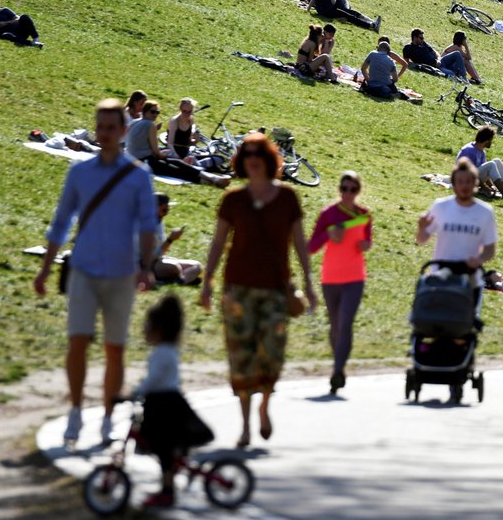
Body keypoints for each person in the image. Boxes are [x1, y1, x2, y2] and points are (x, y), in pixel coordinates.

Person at [32, 98, 159, 446]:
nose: (104, 134)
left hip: (121, 274)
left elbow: (148, 227)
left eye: (110, 128)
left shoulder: (138, 176)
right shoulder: (80, 172)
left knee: (114, 348)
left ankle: (106, 416)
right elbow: (61, 223)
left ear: (123, 131)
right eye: (99, 127)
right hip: (84, 270)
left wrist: (146, 268)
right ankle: (74, 412)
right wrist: (45, 270)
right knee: (77, 342)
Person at [201, 133, 318, 447]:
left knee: (271, 355)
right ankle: (245, 425)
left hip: (276, 290)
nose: (253, 160)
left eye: (258, 155)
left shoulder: (287, 198)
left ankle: (265, 404)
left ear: (269, 160)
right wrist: (207, 282)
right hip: (237, 289)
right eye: (247, 155)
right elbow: (217, 243)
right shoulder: (233, 200)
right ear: (242, 161)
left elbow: (299, 244)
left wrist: (308, 282)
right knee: (241, 359)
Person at [129, 294, 214, 508]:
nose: (144, 330)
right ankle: (170, 480)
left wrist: (134, 392)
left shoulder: (162, 354)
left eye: (148, 325)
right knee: (163, 446)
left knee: (162, 445)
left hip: (163, 405)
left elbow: (154, 379)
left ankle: (168, 491)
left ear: (158, 329)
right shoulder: (165, 351)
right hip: (162, 402)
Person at [307, 171, 373, 393]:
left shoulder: (364, 215)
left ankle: (337, 369)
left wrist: (365, 245)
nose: (348, 194)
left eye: (353, 190)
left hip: (355, 277)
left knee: (345, 323)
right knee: (335, 325)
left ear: (358, 191)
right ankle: (339, 367)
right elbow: (311, 246)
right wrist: (329, 234)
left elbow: (367, 240)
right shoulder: (328, 214)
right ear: (339, 189)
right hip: (331, 278)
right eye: (344, 189)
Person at [416, 158, 498, 290]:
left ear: (475, 184)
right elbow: (421, 240)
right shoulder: (440, 206)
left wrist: (478, 260)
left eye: (468, 182)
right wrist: (421, 227)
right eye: (460, 182)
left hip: (470, 281)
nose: (464, 186)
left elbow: (490, 250)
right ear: (453, 184)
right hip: (439, 276)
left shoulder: (485, 212)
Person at [125, 100, 230, 187]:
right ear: (145, 111)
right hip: (145, 161)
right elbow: (156, 151)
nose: (155, 115)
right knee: (175, 170)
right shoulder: (151, 124)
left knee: (177, 163)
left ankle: (212, 178)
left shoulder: (135, 122)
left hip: (139, 159)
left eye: (157, 112)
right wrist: (163, 154)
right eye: (153, 112)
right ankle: (210, 181)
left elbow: (137, 143)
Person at [457, 126, 503, 203]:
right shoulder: (469, 150)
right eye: (491, 140)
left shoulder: (482, 152)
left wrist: (490, 185)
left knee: (497, 161)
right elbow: (469, 173)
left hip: (475, 179)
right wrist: (484, 188)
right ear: (486, 140)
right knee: (491, 164)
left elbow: (485, 171)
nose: (491, 142)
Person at [151, 193, 203, 285]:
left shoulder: (159, 222)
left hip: (159, 260)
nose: (166, 214)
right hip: (146, 265)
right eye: (164, 210)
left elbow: (160, 250)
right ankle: (182, 278)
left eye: (167, 210)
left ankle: (179, 281)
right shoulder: (143, 226)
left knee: (197, 266)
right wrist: (170, 240)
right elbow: (150, 258)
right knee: (174, 267)